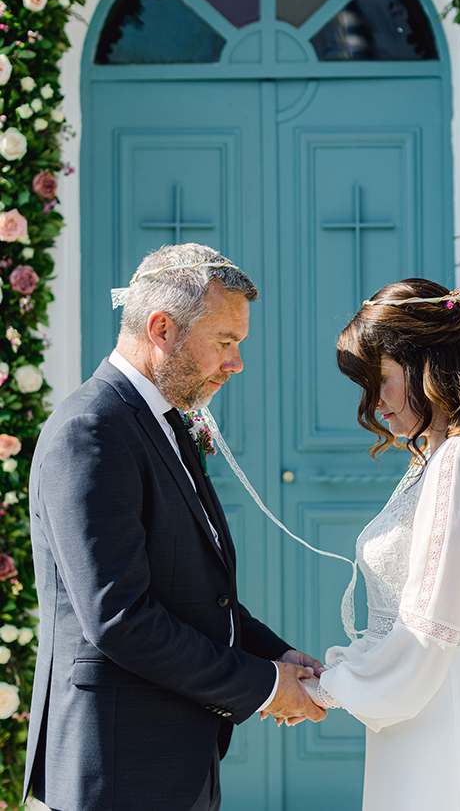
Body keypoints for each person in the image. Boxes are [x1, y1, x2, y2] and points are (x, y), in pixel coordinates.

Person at [24, 243, 326, 811]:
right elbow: (120, 618)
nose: (236, 364)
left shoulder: (162, 421)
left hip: (176, 758)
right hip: (118, 763)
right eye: (225, 342)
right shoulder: (91, 430)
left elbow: (194, 594)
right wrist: (263, 687)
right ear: (161, 328)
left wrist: (277, 658)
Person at [303, 278, 460, 810]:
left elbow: (426, 634)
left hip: (441, 721)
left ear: (427, 366)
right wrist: (339, 673)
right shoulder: (442, 457)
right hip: (433, 709)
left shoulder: (459, 459)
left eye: (382, 380)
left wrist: (322, 690)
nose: (374, 403)